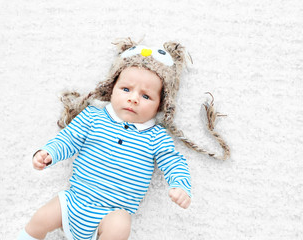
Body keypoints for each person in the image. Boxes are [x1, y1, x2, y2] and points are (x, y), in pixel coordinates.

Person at [17, 38, 230, 240]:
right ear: (112, 89)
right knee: (41, 218)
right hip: (74, 201)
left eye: (146, 96)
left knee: (120, 226)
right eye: (126, 89)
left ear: (161, 105)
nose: (133, 98)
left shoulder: (156, 137)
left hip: (112, 213)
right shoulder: (93, 117)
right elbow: (68, 138)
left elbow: (173, 161)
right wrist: (48, 153)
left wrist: (181, 186)